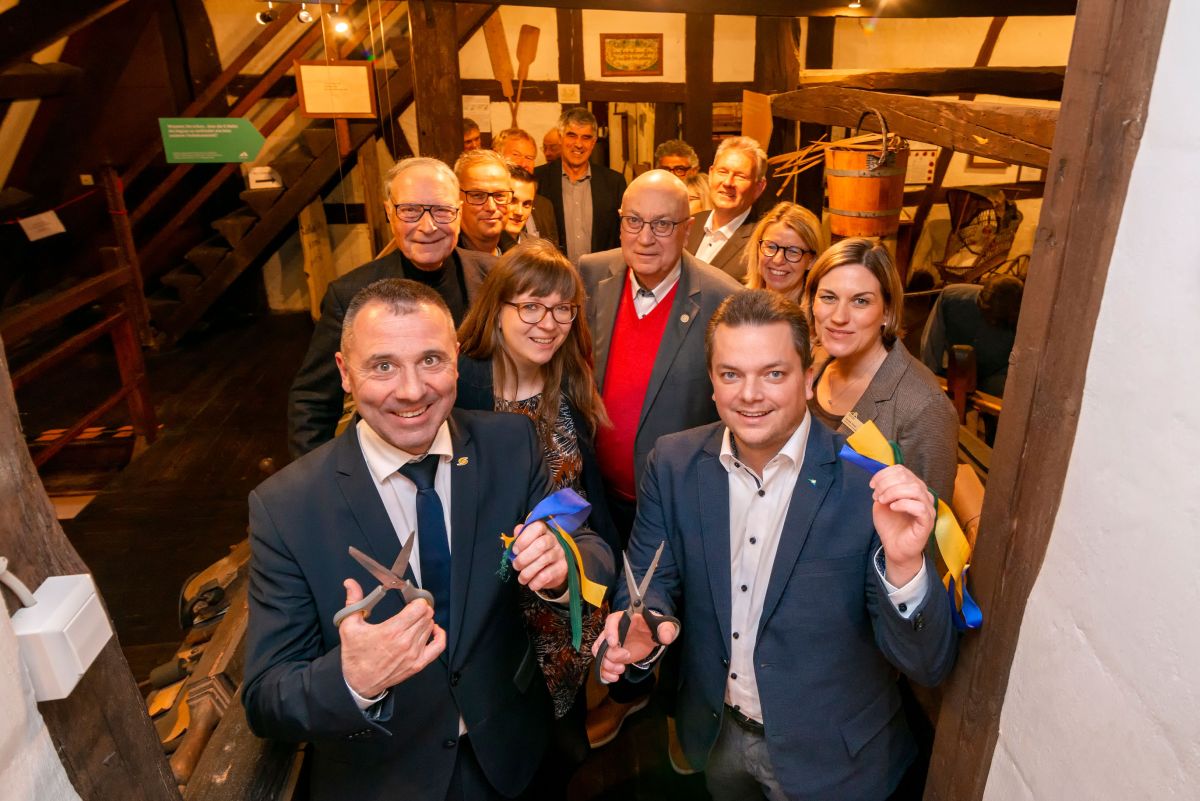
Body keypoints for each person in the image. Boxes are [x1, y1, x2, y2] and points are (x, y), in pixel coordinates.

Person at [245, 279, 614, 801]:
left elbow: (594, 550)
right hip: (386, 778)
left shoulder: (510, 443)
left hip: (514, 756)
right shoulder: (286, 507)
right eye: (383, 366)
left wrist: (563, 563)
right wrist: (351, 679)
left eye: (431, 360)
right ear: (344, 373)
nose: (412, 390)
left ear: (456, 359)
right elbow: (266, 698)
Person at [593, 289, 957, 801]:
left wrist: (904, 567)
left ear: (807, 378)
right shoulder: (672, 464)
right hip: (717, 739)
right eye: (731, 374)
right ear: (712, 383)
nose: (750, 394)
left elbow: (928, 664)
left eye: (773, 374)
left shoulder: (866, 486)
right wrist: (645, 620)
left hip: (834, 761)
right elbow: (652, 575)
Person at [579, 168, 741, 747]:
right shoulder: (589, 274)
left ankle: (667, 709)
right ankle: (620, 691)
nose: (645, 237)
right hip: (597, 495)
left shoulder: (722, 298)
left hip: (675, 504)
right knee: (608, 601)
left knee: (669, 611)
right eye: (634, 221)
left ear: (687, 228)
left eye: (663, 224)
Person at [456, 240, 618, 791]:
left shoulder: (568, 377)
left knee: (562, 744)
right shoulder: (461, 386)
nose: (548, 324)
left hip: (565, 600)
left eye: (562, 309)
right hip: (498, 610)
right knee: (504, 752)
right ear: (496, 308)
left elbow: (586, 496)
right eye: (531, 306)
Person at [287, 157, 496, 458]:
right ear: (389, 212)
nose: (428, 226)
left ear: (459, 213)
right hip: (392, 459)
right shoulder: (349, 294)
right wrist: (317, 478)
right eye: (410, 210)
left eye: (441, 210)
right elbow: (313, 401)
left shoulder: (494, 278)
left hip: (484, 454)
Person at [804, 238, 958, 502]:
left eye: (860, 301)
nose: (839, 317)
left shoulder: (925, 407)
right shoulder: (811, 366)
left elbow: (931, 520)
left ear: (887, 311)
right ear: (812, 302)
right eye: (828, 297)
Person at [534, 107, 626, 263]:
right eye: (572, 135)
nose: (578, 144)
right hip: (553, 273)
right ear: (560, 138)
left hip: (602, 274)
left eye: (586, 138)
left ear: (593, 142)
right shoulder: (538, 179)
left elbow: (623, 234)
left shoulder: (614, 182)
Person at [920, 275, 1024, 397]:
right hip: (956, 367)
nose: (991, 323)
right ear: (980, 301)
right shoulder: (951, 299)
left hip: (994, 375)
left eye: (997, 322)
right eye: (989, 316)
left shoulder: (1023, 320)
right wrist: (928, 380)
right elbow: (931, 347)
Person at [686, 136, 769, 281]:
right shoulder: (690, 224)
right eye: (722, 172)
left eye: (740, 176)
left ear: (758, 187)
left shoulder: (762, 242)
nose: (728, 182)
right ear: (711, 175)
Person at [743, 201, 823, 304]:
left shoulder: (818, 313)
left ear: (812, 260)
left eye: (793, 251)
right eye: (771, 247)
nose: (778, 260)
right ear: (757, 249)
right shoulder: (739, 305)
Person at [495, 132, 560, 249]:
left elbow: (552, 250)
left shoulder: (544, 206)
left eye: (529, 158)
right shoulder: (491, 205)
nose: (523, 163)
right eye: (516, 155)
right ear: (497, 156)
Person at [454, 149, 512, 256]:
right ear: (456, 198)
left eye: (499, 195)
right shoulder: (440, 261)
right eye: (478, 195)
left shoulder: (523, 258)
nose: (491, 207)